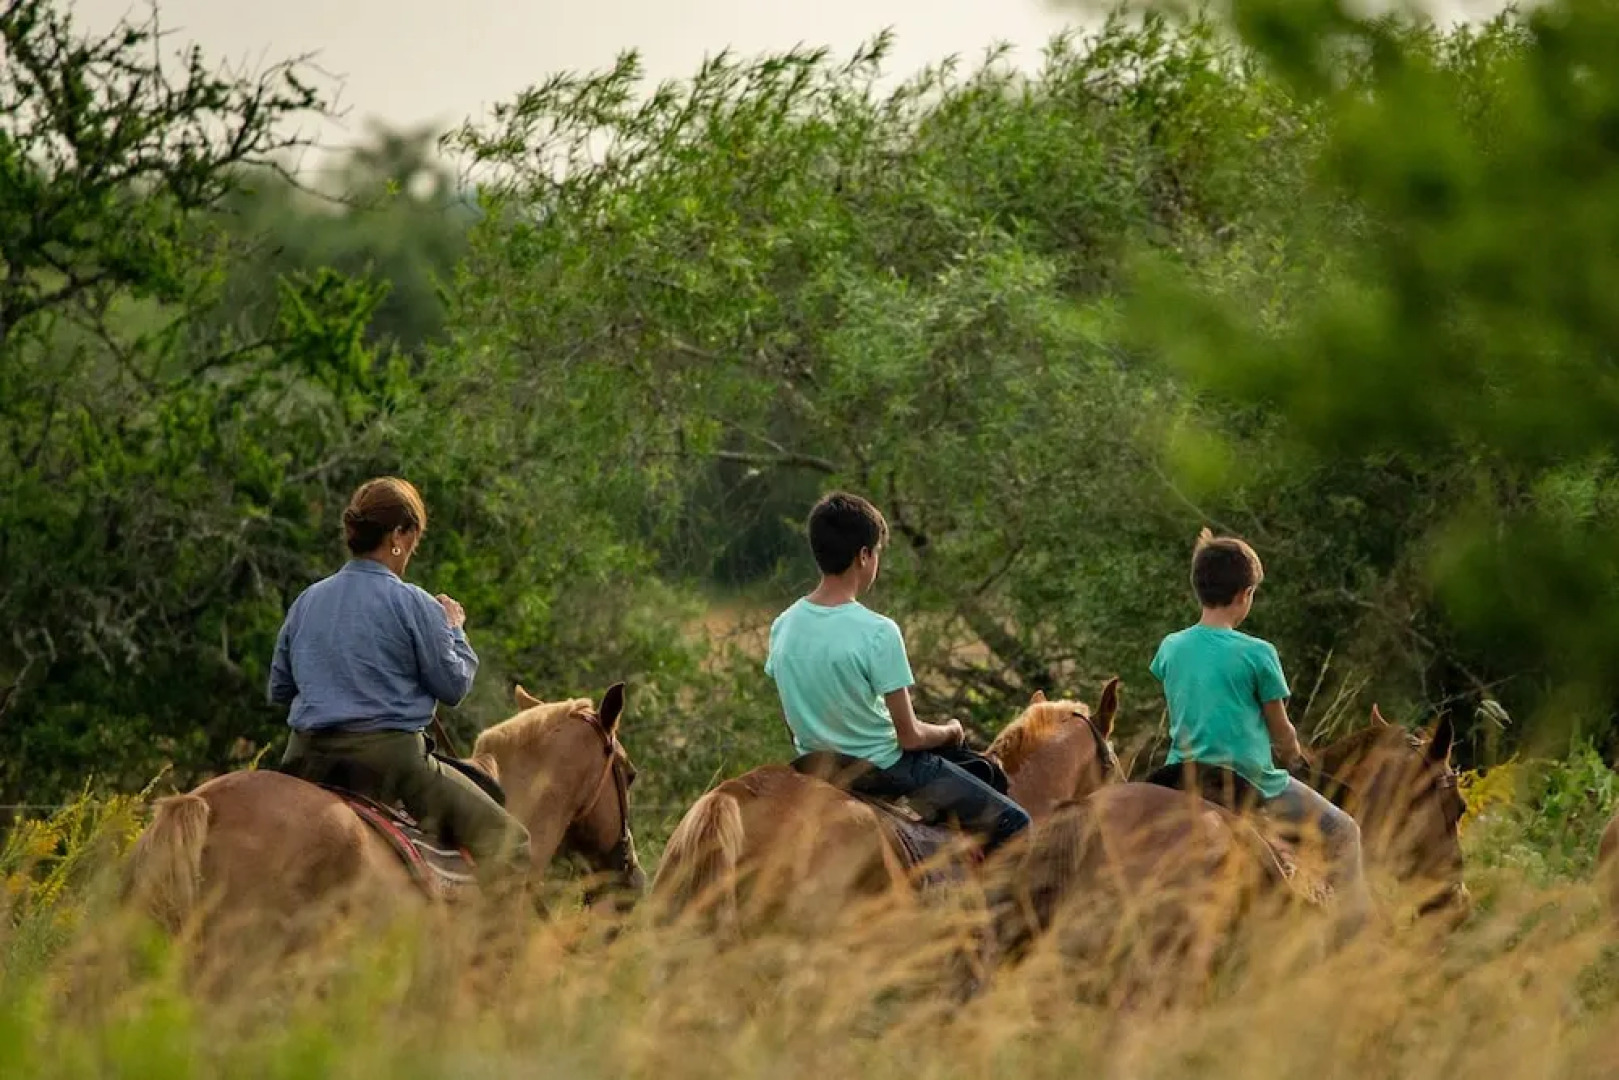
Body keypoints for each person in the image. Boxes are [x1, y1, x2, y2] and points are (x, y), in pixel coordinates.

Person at [269, 476, 532, 892]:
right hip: (388, 762)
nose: (411, 550)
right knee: (511, 844)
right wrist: (453, 630)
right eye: (414, 538)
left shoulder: (308, 600)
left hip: (306, 758)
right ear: (398, 535)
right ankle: (488, 956)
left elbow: (279, 689)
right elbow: (453, 686)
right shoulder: (415, 603)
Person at [764, 491, 1032, 857]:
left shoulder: (783, 625)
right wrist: (951, 730)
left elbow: (792, 720)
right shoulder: (878, 632)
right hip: (883, 769)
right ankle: (998, 914)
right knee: (1017, 824)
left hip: (813, 766)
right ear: (863, 556)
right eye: (876, 553)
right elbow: (909, 737)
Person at [1150, 527, 1372, 928]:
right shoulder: (1258, 653)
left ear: (1198, 588)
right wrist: (1293, 755)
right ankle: (1355, 941)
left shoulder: (1170, 647)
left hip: (1179, 777)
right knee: (1345, 832)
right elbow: (1280, 729)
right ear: (1245, 595)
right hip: (1250, 780)